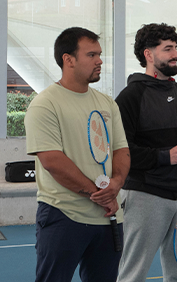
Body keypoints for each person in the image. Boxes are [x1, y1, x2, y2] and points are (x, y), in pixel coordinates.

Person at [25, 27, 131, 282]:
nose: (100, 61)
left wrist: (116, 183)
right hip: (63, 216)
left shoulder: (107, 103)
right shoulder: (45, 104)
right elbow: (52, 161)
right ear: (68, 59)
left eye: (100, 54)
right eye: (91, 55)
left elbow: (121, 149)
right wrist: (99, 195)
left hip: (108, 219)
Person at [115, 23, 177, 282]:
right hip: (146, 196)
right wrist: (164, 156)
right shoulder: (130, 97)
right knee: (133, 273)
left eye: (176, 48)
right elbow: (122, 152)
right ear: (148, 54)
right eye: (168, 49)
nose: (175, 54)